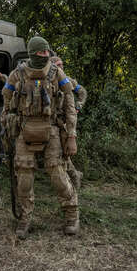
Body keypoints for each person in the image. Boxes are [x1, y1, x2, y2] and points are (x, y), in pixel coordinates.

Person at [0, 36, 79, 239]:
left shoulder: (56, 73)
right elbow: (6, 104)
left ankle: (72, 216)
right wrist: (8, 127)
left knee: (58, 174)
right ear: (33, 53)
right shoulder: (16, 75)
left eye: (47, 52)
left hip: (51, 128)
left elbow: (70, 106)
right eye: (41, 52)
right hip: (24, 129)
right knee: (24, 177)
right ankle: (25, 219)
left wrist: (71, 135)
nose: (45, 56)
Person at [50, 55, 87, 190]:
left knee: (64, 154)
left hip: (65, 123)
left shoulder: (68, 81)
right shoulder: (49, 80)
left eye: (62, 65)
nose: (61, 67)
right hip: (51, 122)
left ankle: (74, 177)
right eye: (58, 65)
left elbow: (82, 92)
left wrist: (79, 105)